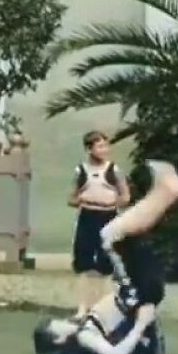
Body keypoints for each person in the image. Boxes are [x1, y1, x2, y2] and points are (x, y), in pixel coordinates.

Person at [34, 161, 178, 354]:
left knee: (123, 234)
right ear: (59, 339)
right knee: (109, 235)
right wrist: (142, 323)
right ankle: (165, 193)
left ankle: (165, 194)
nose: (62, 321)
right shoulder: (84, 336)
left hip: (136, 292)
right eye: (56, 325)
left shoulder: (87, 327)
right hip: (140, 296)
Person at [68, 130, 130, 319]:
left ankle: (103, 309)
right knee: (83, 263)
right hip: (87, 216)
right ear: (89, 149)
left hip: (108, 217)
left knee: (106, 263)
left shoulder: (114, 170)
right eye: (100, 146)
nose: (104, 149)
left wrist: (111, 203)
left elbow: (126, 196)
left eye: (106, 145)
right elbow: (70, 198)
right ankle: (82, 308)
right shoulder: (81, 171)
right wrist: (82, 199)